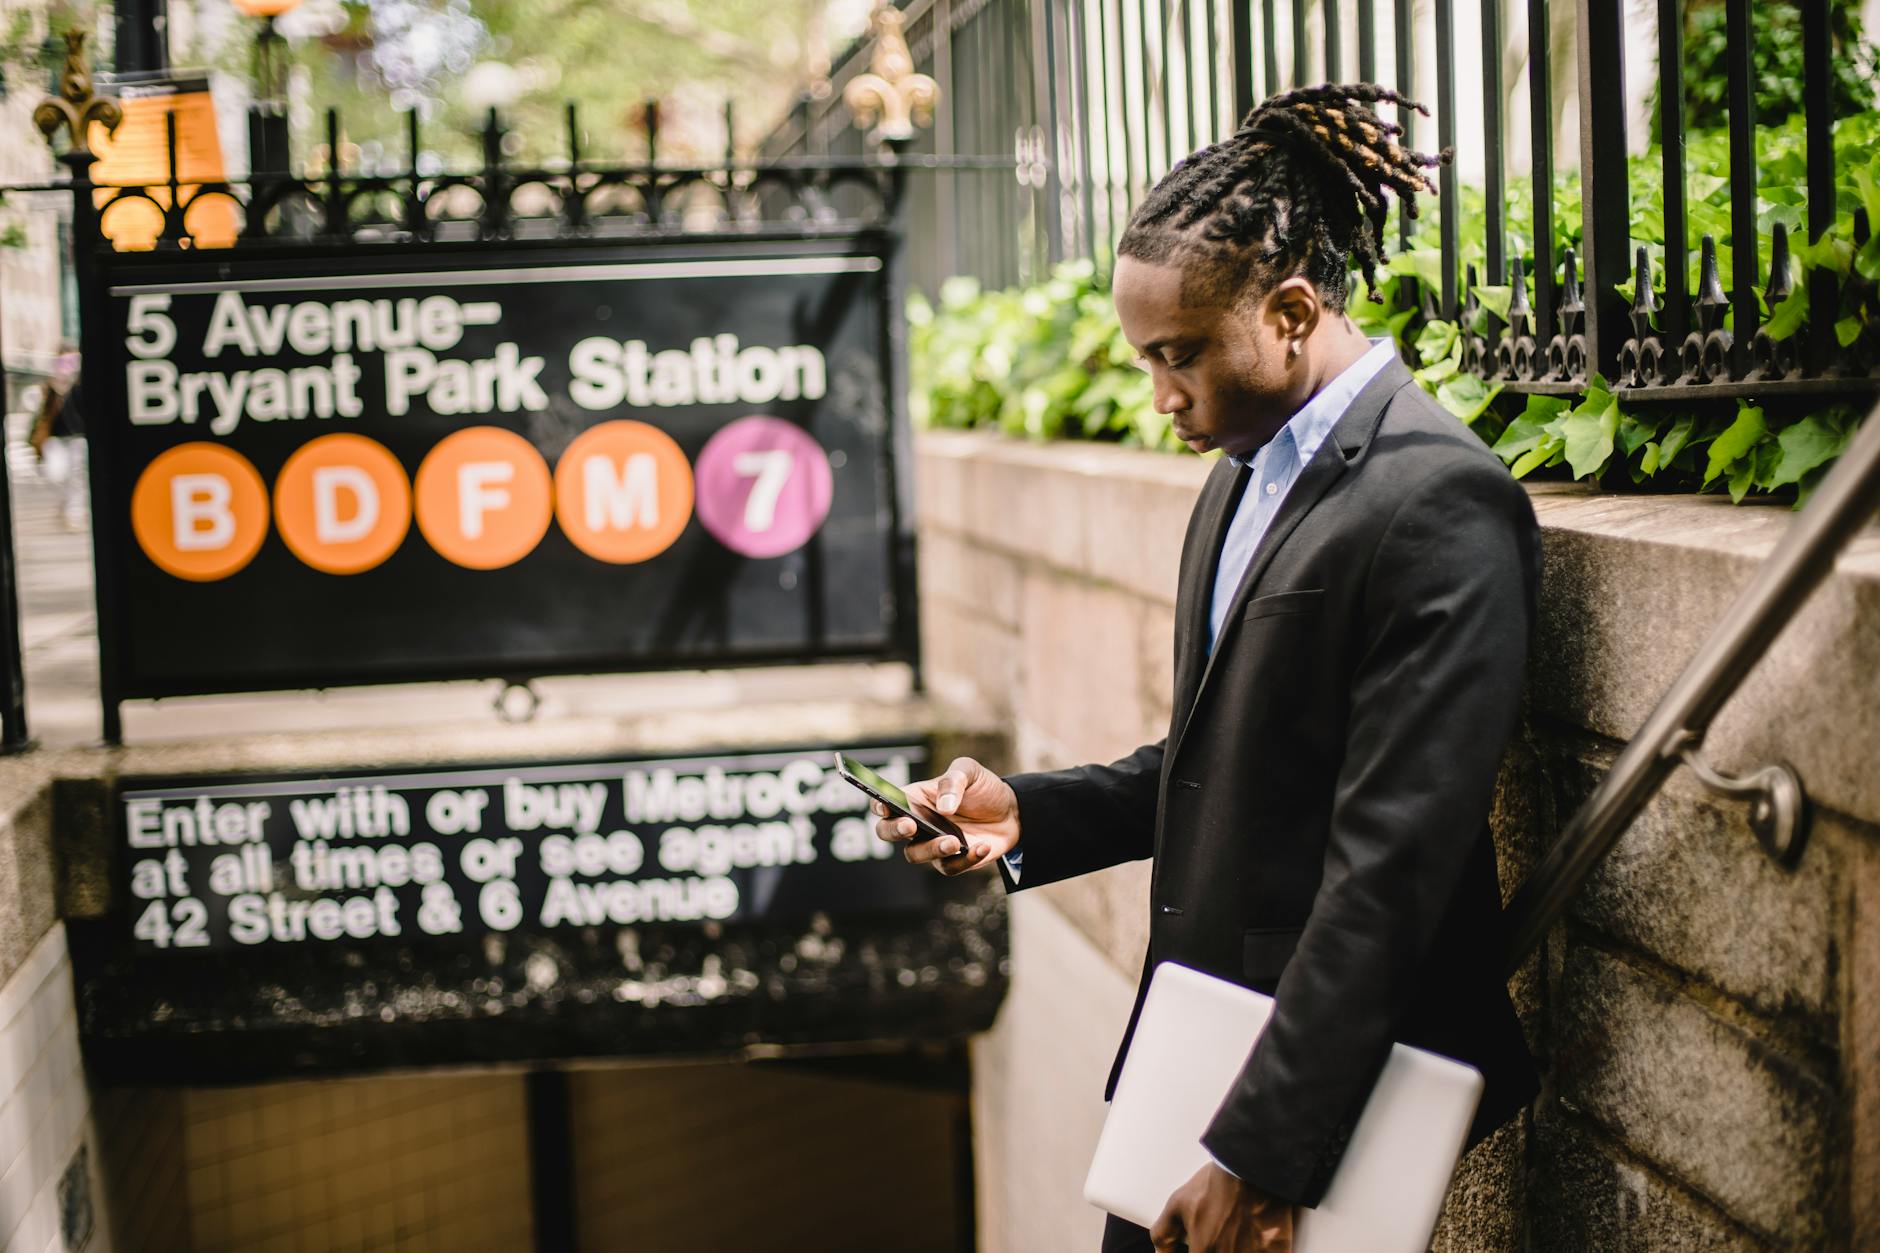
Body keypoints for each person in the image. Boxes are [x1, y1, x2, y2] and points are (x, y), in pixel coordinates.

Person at [875, 84, 1540, 1253]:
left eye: (1176, 356)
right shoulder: (1242, 472)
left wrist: (1263, 1154)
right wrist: (1027, 811)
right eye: (1144, 359)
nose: (1160, 394)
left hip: (1304, 1109)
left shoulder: (1439, 499)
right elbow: (1225, 760)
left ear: (1288, 311)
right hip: (1189, 1064)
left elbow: (1393, 862)